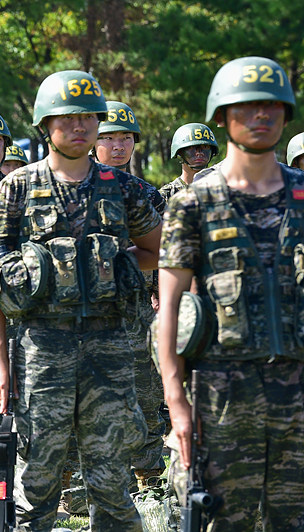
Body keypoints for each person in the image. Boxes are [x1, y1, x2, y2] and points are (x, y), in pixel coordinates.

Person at [0, 70, 161, 531]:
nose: (79, 127)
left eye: (88, 118)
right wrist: (0, 362)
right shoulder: (16, 188)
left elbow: (160, 250)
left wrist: (117, 267)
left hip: (111, 349)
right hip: (42, 348)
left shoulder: (126, 189)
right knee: (38, 473)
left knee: (111, 476)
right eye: (67, 118)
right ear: (45, 124)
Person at [158, 55, 304, 531]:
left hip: (298, 393)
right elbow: (172, 309)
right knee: (227, 520)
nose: (261, 116)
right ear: (222, 117)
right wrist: (176, 403)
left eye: (272, 107)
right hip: (221, 396)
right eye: (247, 107)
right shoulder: (193, 201)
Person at [93, 100, 167, 489]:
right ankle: (77, 487)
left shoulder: (147, 194)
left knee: (144, 398)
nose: (118, 145)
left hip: (137, 312)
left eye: (125, 137)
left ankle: (149, 479)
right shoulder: (76, 189)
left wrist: (160, 298)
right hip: (87, 313)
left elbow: (166, 254)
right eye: (108, 137)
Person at [159, 123, 219, 202]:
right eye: (192, 147)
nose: (199, 153)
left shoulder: (222, 189)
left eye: (205, 147)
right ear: (180, 152)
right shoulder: (167, 195)